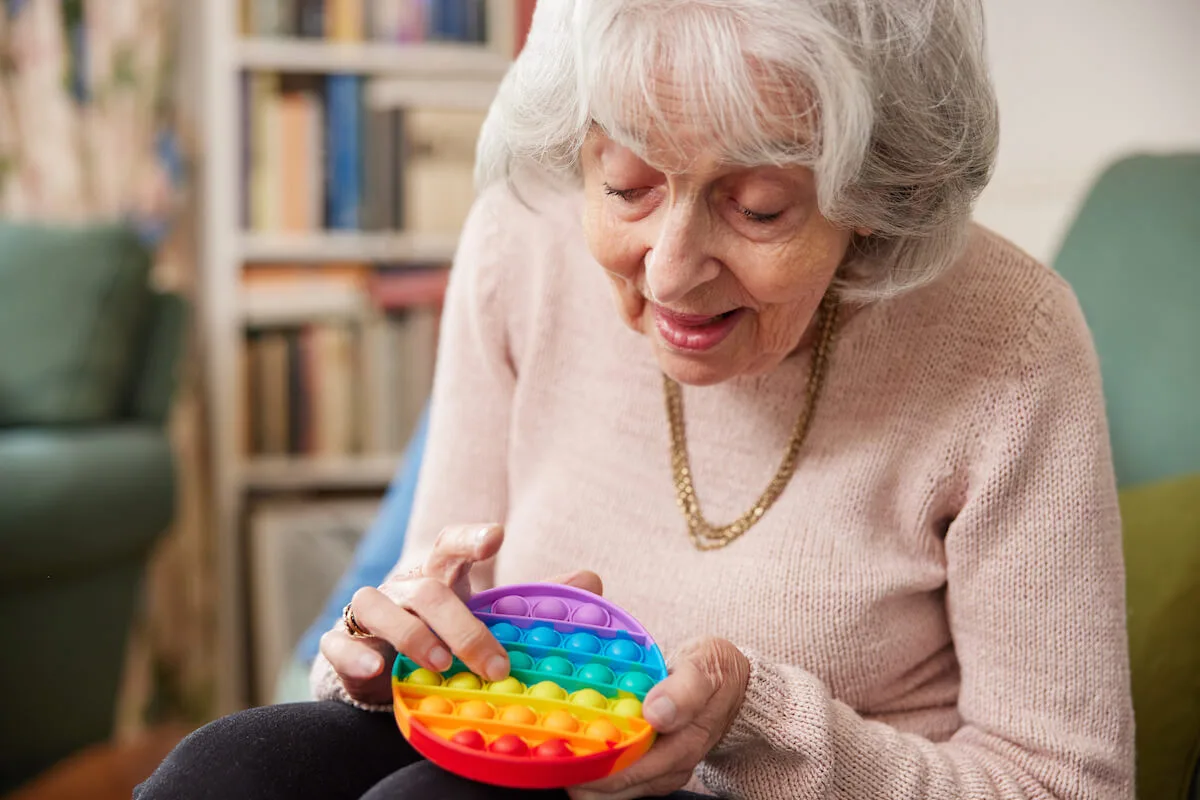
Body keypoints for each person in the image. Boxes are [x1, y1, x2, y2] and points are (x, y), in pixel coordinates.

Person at [138, 1, 1136, 798]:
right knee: (225, 770)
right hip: (524, 752)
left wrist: (758, 726)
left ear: (876, 194)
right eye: (626, 186)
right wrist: (388, 646)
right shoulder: (519, 239)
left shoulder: (1012, 343)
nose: (670, 271)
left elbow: (1065, 784)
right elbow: (435, 592)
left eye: (758, 208)